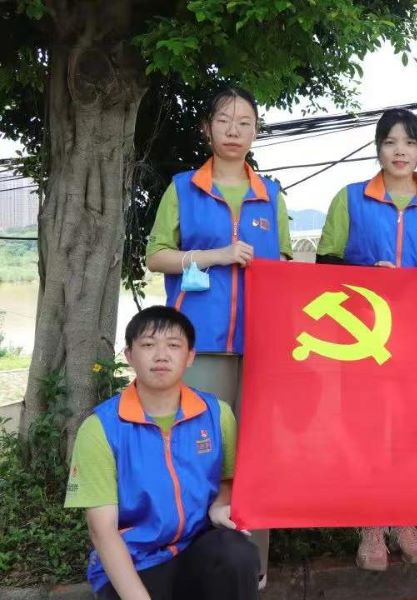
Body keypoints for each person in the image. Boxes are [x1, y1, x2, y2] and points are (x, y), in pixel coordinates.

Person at [145, 86, 292, 585]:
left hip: (261, 347)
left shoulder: (271, 195)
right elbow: (156, 255)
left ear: (256, 131)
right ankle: (189, 566)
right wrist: (216, 256)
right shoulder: (183, 188)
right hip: (199, 345)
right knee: (197, 450)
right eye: (224, 120)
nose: (234, 130)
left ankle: (251, 568)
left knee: (256, 455)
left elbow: (284, 265)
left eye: (244, 122)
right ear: (206, 128)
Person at [316, 108, 417, 571]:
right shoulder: (350, 198)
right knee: (367, 429)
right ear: (377, 148)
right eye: (391, 142)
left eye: (409, 142)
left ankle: (408, 521)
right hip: (363, 337)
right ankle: (371, 524)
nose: (400, 151)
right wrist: (365, 274)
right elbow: (325, 264)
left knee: (413, 430)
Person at [65, 306, 259, 600]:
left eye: (173, 345)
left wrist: (220, 505)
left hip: (196, 549)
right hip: (134, 562)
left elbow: (227, 478)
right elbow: (102, 530)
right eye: (147, 345)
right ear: (129, 355)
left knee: (236, 553)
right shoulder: (101, 428)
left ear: (190, 356)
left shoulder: (217, 414)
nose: (161, 355)